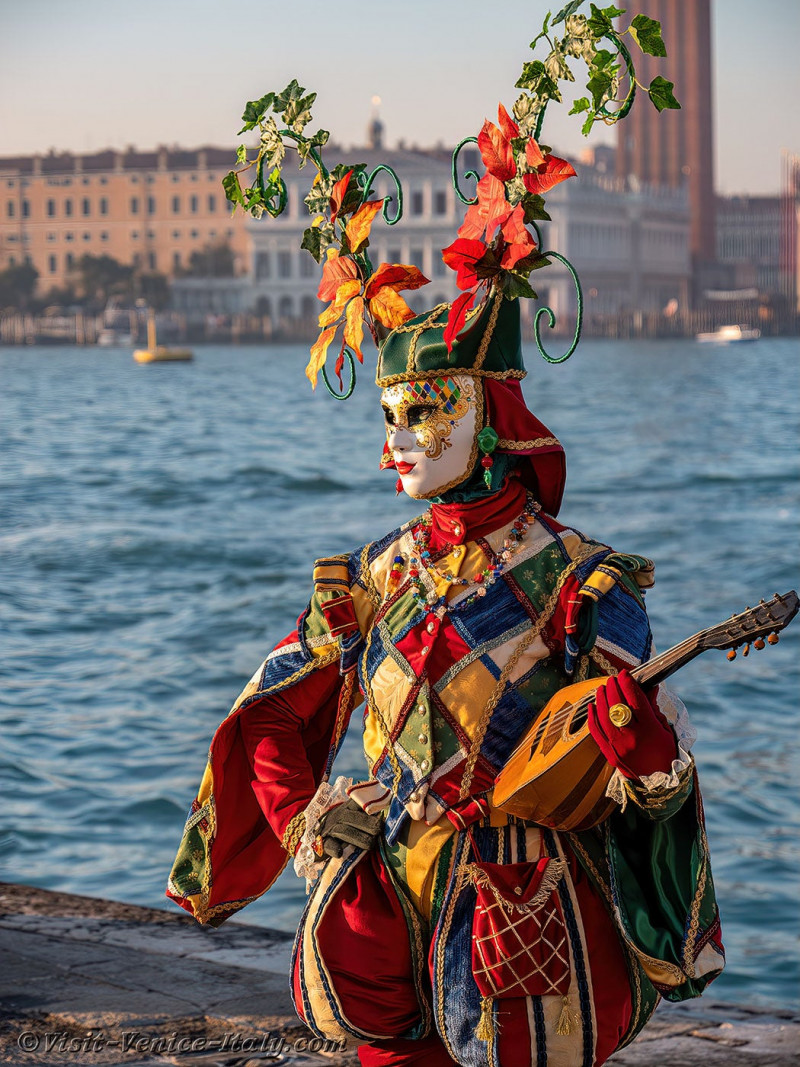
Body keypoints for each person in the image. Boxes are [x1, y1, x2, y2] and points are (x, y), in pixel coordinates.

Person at [167, 291, 724, 1067]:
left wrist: (641, 745)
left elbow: (647, 773)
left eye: (419, 412)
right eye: (385, 416)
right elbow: (266, 713)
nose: (393, 444)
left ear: (491, 414)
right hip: (381, 902)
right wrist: (304, 823)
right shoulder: (371, 575)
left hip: (522, 920)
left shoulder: (582, 585)